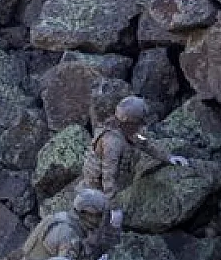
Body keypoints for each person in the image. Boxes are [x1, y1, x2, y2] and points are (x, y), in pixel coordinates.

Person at [80, 95, 189, 227]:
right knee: (102, 221)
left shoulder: (128, 130)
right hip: (97, 185)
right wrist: (114, 207)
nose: (141, 126)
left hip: (115, 178)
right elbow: (108, 178)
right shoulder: (112, 143)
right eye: (138, 123)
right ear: (129, 122)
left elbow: (145, 143)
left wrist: (168, 157)